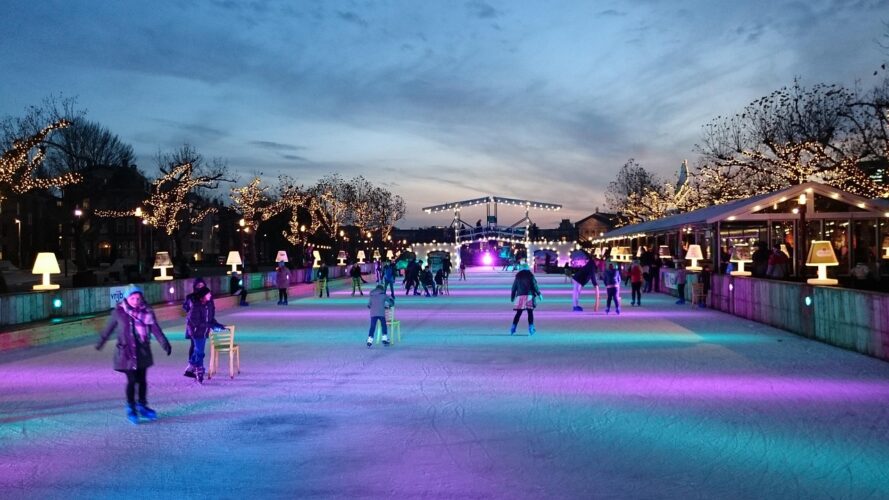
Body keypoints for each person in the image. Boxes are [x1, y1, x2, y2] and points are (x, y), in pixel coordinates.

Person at [96, 285, 171, 425]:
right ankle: (131, 406)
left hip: (142, 352)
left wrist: (164, 343)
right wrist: (100, 342)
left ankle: (142, 405)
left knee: (142, 380)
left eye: (138, 297)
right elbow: (108, 329)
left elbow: (155, 329)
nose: (136, 300)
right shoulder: (119, 312)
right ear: (127, 298)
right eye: (132, 298)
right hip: (126, 353)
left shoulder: (147, 312)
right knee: (132, 380)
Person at [185, 286, 225, 383]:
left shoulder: (209, 305)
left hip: (204, 332)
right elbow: (196, 322)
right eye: (208, 294)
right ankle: (199, 369)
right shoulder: (196, 306)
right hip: (195, 331)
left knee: (198, 351)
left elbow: (211, 319)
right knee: (200, 352)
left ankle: (191, 367)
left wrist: (218, 325)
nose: (210, 295)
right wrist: (211, 325)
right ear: (203, 296)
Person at [182, 277, 211, 378]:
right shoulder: (191, 297)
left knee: (199, 347)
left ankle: (196, 366)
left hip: (203, 326)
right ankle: (194, 367)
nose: (200, 287)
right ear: (195, 286)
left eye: (202, 286)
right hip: (194, 326)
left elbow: (211, 309)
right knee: (195, 346)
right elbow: (185, 308)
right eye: (198, 286)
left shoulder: (207, 297)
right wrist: (192, 308)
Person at [510, 264, 541, 335]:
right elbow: (534, 285)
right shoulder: (530, 276)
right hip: (529, 296)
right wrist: (539, 294)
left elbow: (514, 287)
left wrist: (512, 297)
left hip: (520, 296)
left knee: (518, 313)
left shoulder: (518, 276)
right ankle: (531, 328)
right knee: (530, 313)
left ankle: (513, 328)